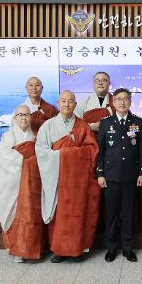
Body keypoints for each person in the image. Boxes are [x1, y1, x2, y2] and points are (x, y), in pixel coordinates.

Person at [35, 90, 100, 263]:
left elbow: (92, 149)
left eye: (70, 101)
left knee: (78, 214)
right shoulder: (48, 126)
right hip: (57, 176)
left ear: (75, 104)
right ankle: (58, 250)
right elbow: (41, 150)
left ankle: (76, 249)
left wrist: (68, 152)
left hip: (78, 180)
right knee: (59, 215)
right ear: (58, 103)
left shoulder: (82, 125)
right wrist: (64, 155)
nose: (66, 104)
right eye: (63, 101)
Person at [96, 88, 142, 263]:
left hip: (131, 177)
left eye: (126, 99)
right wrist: (100, 174)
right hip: (110, 176)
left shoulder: (138, 122)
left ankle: (128, 248)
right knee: (111, 215)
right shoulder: (105, 123)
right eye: (119, 99)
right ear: (113, 102)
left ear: (130, 101)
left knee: (128, 214)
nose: (122, 102)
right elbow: (101, 151)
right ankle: (111, 248)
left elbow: (141, 150)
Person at [0, 104, 44, 263]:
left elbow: (42, 156)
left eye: (27, 115)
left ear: (31, 118)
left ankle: (33, 248)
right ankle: (17, 250)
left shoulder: (36, 137)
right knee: (16, 215)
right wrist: (26, 161)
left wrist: (33, 162)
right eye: (20, 115)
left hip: (32, 184)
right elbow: (4, 161)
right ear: (14, 118)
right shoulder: (7, 137)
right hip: (14, 184)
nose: (23, 118)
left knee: (33, 215)